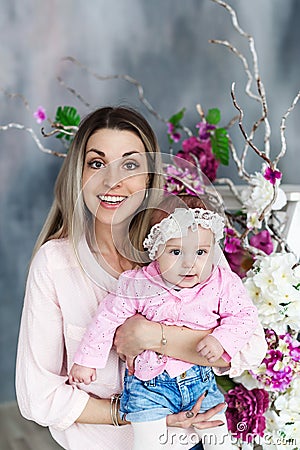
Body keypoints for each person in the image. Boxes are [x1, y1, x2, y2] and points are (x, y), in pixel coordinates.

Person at [16, 106, 245, 450]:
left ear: (151, 177)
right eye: (96, 163)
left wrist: (151, 335)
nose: (112, 181)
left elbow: (237, 353)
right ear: (78, 175)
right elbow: (38, 395)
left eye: (130, 164)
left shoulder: (189, 241)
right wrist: (139, 413)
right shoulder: (54, 264)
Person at [69, 194, 260, 449]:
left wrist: (221, 339)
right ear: (156, 250)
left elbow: (245, 316)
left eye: (201, 251)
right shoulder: (138, 283)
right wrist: (87, 361)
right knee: (148, 444)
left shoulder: (222, 282)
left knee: (220, 443)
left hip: (200, 382)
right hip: (149, 388)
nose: (189, 263)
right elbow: (106, 318)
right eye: (176, 251)